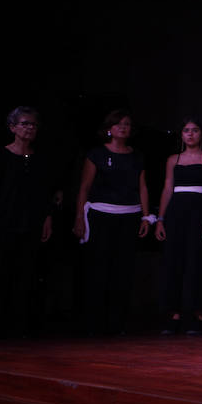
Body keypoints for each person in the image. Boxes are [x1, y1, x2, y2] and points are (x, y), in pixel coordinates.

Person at [0, 107, 57, 338]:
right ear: (12, 127)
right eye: (25, 123)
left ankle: (19, 328)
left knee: (26, 277)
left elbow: (45, 192)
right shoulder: (1, 156)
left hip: (30, 224)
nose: (30, 128)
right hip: (4, 224)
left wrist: (48, 218)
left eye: (33, 124)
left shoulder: (39, 159)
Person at [73, 109, 152, 336]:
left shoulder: (137, 156)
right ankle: (93, 323)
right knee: (98, 269)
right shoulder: (96, 154)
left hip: (128, 216)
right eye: (118, 124)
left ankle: (117, 324)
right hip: (100, 215)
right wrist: (79, 217)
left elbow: (143, 187)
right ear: (109, 128)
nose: (123, 127)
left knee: (123, 271)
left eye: (127, 124)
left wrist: (146, 216)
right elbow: (85, 188)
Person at [155, 119, 202, 335]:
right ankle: (174, 314)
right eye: (186, 130)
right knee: (174, 260)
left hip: (199, 213)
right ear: (181, 135)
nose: (190, 134)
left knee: (196, 261)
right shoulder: (174, 159)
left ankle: (196, 314)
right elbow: (166, 189)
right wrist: (160, 219)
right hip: (176, 213)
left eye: (195, 130)